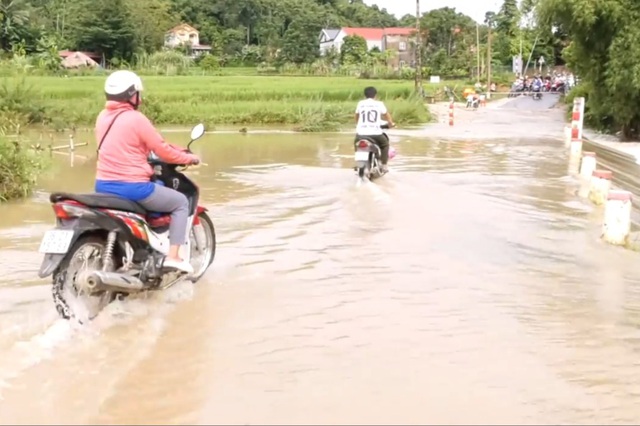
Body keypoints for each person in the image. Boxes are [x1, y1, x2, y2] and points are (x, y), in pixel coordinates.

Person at [94, 70, 200, 274]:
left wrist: (171, 149)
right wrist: (188, 158)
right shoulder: (136, 119)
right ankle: (174, 257)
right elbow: (162, 150)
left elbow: (130, 144)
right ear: (132, 95)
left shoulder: (102, 117)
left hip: (102, 186)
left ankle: (141, 252)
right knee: (180, 203)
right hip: (133, 188)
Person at [354, 86, 395, 173]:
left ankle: (358, 162)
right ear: (375, 95)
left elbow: (357, 116)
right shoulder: (379, 104)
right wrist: (390, 123)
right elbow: (386, 115)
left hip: (361, 133)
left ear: (365, 95)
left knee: (356, 144)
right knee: (385, 144)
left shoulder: (360, 103)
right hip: (376, 134)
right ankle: (384, 165)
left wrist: (358, 125)